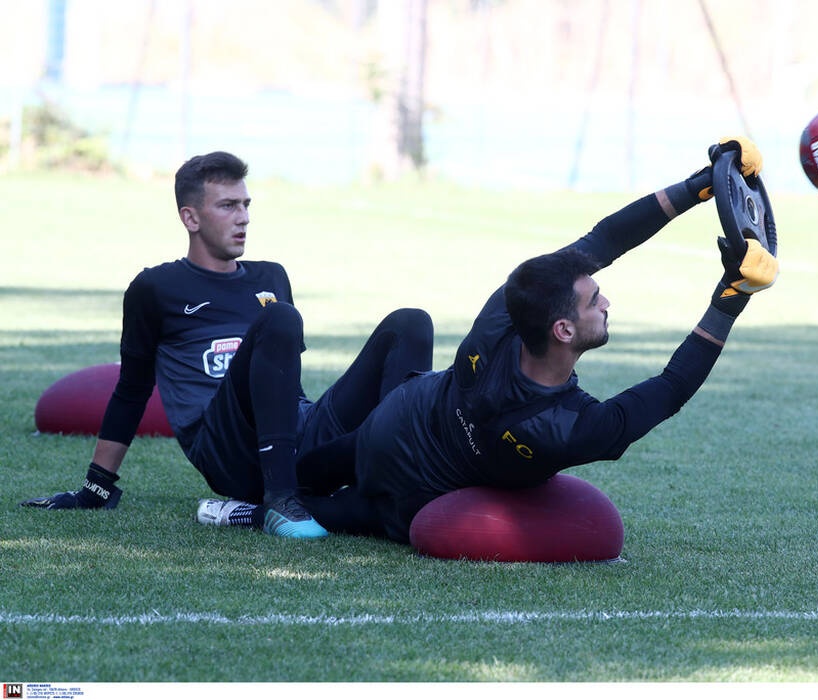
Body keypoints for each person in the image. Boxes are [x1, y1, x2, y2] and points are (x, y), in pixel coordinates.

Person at [203, 137, 778, 545]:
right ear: (564, 331)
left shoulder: (509, 311)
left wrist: (699, 186)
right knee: (335, 513)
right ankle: (250, 509)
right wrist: (730, 298)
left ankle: (260, 499)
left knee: (312, 473)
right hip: (403, 502)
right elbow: (671, 387)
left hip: (383, 429)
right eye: (594, 300)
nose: (605, 302)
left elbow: (604, 238)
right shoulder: (567, 428)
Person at [21, 151, 434, 539]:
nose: (244, 218)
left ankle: (402, 481)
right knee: (279, 318)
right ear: (191, 217)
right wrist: (96, 488)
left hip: (296, 433)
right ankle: (280, 501)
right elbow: (132, 390)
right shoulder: (156, 288)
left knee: (410, 323)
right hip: (227, 449)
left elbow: (286, 382)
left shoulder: (271, 277)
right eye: (227, 206)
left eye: (246, 204)